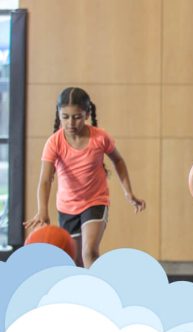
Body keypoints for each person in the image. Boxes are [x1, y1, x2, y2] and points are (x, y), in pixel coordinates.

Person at [24, 87, 145, 268]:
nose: (70, 123)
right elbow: (45, 180)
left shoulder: (100, 138)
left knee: (89, 252)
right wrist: (43, 210)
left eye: (77, 117)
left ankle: (95, 285)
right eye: (65, 117)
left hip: (95, 201)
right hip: (67, 206)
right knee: (75, 260)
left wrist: (128, 192)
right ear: (59, 114)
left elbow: (118, 161)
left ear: (87, 114)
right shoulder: (54, 143)